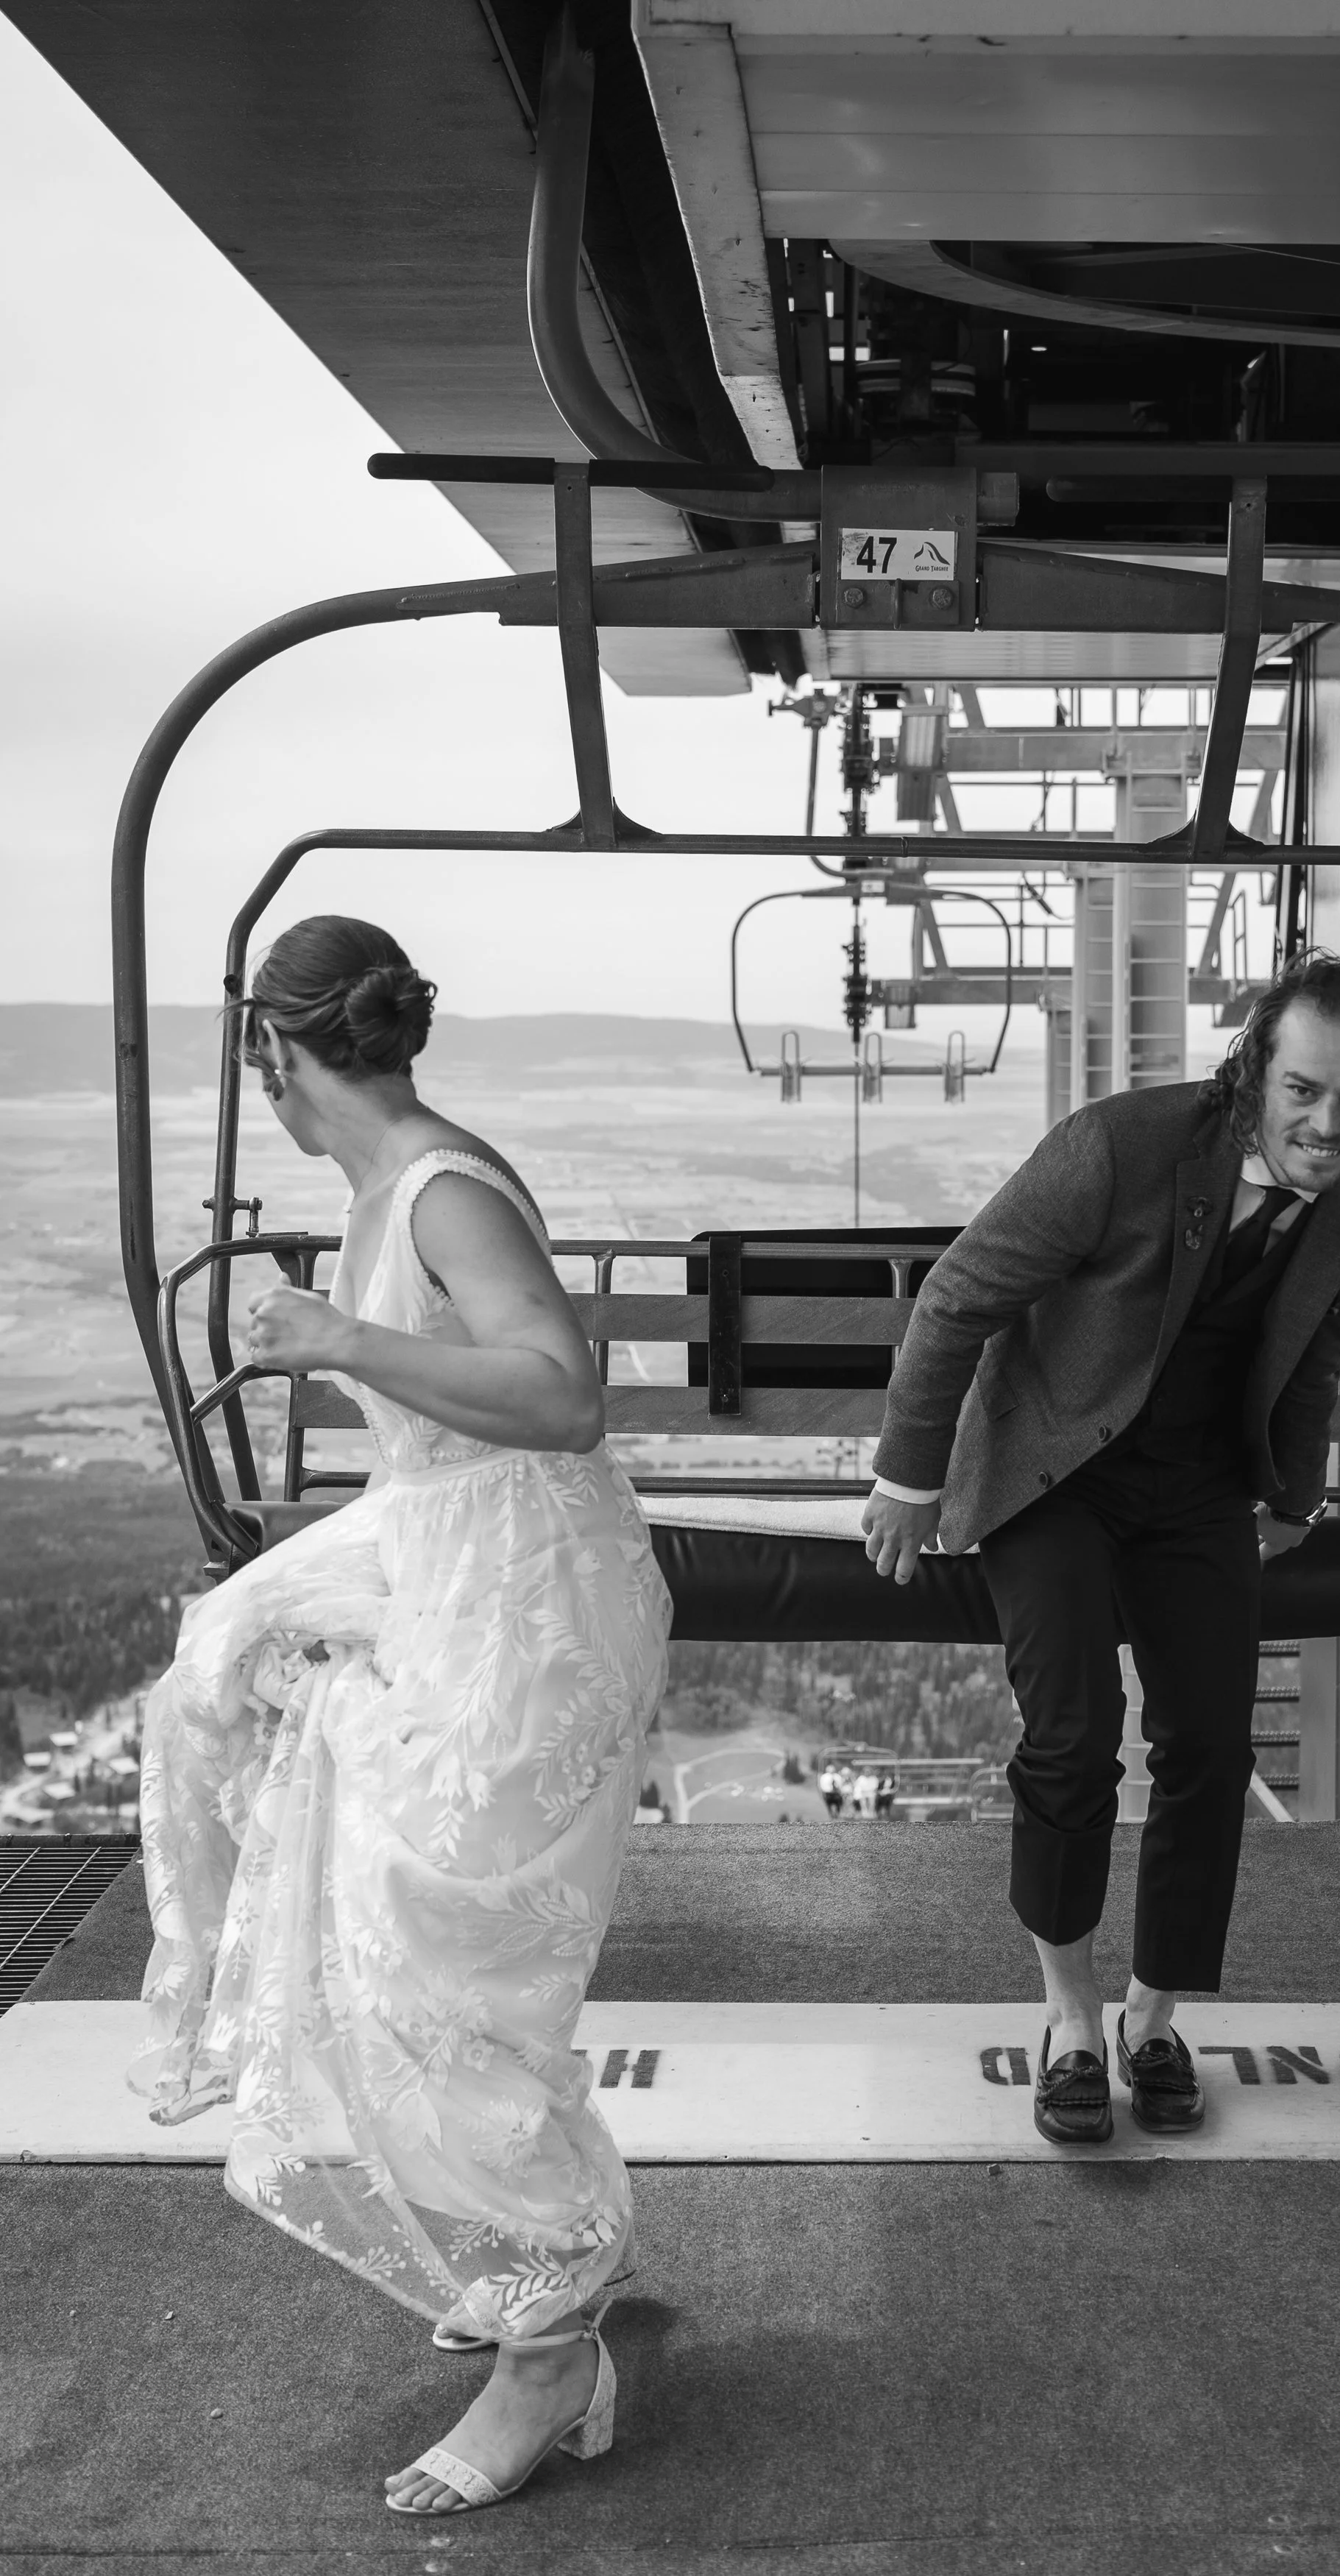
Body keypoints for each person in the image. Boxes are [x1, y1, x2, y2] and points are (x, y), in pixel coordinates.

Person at [130, 916, 672, 2516]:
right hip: (451, 1555)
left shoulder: (432, 1190)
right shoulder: (391, 1184)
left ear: (277, 1055)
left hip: (532, 1605)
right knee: (224, 1682)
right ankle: (519, 2275)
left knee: (435, 1961)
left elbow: (563, 1394)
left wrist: (338, 1339)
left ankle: (552, 2345)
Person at [861, 953, 1340, 2145]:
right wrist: (909, 1478)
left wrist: (1295, 1496)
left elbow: (1315, 1359)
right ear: (1255, 1075)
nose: (1328, 1125)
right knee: (1072, 1739)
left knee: (1211, 1747)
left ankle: (1154, 2018)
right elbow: (957, 1298)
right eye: (1305, 1090)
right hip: (1053, 1473)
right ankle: (1068, 2017)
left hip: (1199, 1489)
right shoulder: (1121, 1148)